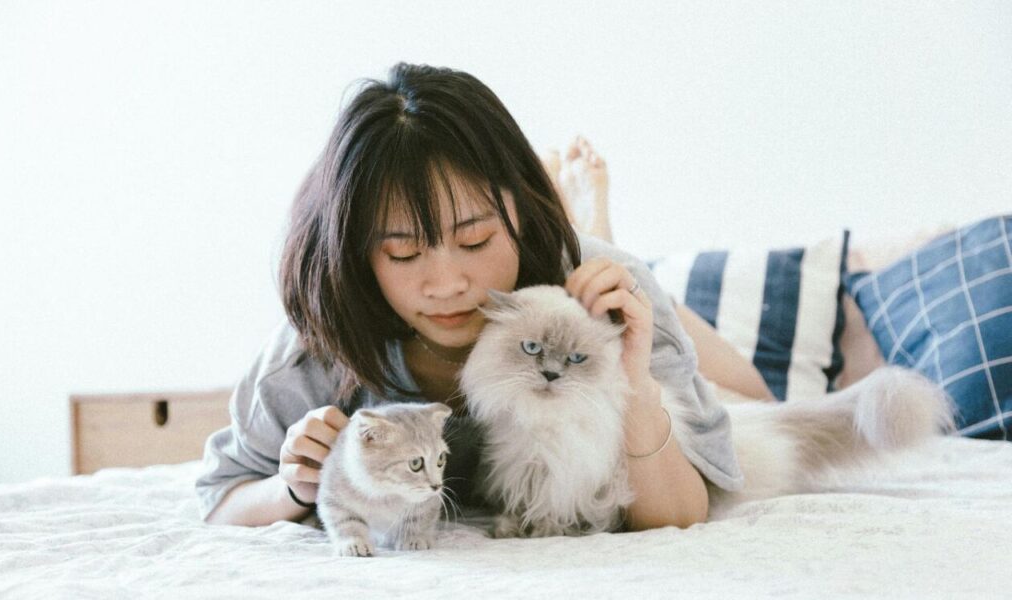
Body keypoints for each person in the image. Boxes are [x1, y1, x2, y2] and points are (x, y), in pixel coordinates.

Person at [197, 63, 767, 531]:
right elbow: (223, 500)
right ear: (355, 254)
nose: (446, 284)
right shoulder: (316, 346)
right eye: (402, 252)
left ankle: (594, 227)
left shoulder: (608, 295)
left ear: (521, 207)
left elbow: (683, 513)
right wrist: (291, 487)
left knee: (759, 402)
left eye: (475, 238)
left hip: (577, 280)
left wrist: (635, 384)